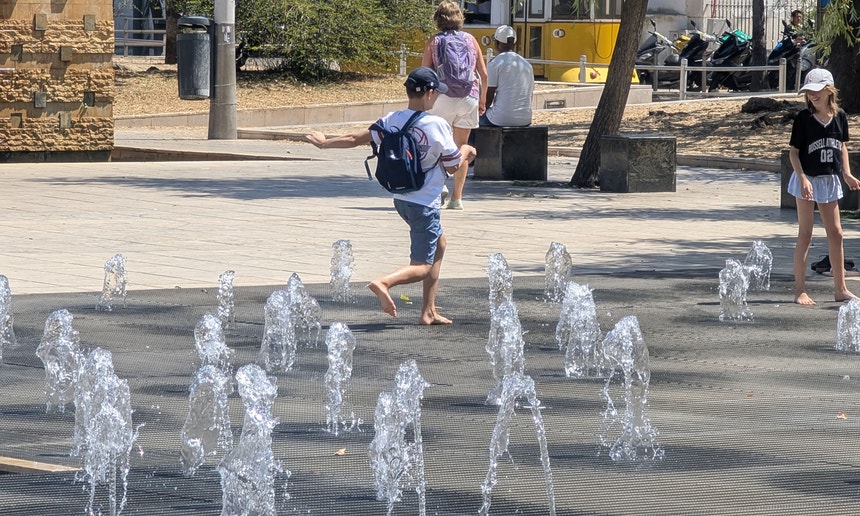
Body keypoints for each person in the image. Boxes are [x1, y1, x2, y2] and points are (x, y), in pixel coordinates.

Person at [306, 67, 476, 325]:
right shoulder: (436, 124)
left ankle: (428, 311)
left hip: (401, 199)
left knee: (439, 245)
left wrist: (324, 142)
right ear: (430, 93)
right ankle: (384, 282)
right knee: (422, 266)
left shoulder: (392, 119)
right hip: (424, 203)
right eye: (436, 94)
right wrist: (466, 149)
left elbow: (355, 138)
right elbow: (453, 165)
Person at [787, 68, 859, 305]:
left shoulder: (839, 116)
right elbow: (794, 153)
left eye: (816, 91)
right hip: (807, 179)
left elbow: (842, 146)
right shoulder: (803, 119)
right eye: (808, 92)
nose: (812, 96)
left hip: (829, 179)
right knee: (805, 234)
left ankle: (840, 289)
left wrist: (846, 173)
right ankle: (800, 290)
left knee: (836, 233)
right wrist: (803, 179)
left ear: (829, 90)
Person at [422, 1, 488, 210]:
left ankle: (439, 185)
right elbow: (484, 74)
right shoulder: (471, 40)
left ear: (438, 18)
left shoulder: (434, 41)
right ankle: (457, 198)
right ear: (460, 17)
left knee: (437, 143)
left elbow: (424, 74)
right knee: (461, 147)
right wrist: (483, 100)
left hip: (442, 97)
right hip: (469, 96)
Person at [481, 25, 534, 128]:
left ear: (497, 43)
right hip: (525, 118)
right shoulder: (527, 65)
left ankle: (469, 144)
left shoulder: (495, 63)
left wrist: (481, 110)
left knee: (471, 122)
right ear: (514, 43)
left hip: (500, 119)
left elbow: (488, 97)